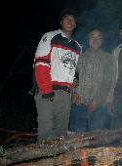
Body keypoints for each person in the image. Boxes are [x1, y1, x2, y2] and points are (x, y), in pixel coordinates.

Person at [34, 9, 82, 141]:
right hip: (49, 91)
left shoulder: (78, 46)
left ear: (75, 24)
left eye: (72, 19)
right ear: (61, 22)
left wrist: (74, 85)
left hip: (66, 95)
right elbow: (41, 63)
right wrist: (46, 90)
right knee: (46, 133)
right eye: (66, 18)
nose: (70, 21)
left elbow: (75, 69)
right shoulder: (50, 36)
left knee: (61, 135)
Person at [69, 28, 113, 132]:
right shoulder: (79, 57)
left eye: (98, 37)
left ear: (102, 41)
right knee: (76, 138)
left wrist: (96, 101)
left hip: (99, 106)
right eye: (92, 37)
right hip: (79, 105)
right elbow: (73, 77)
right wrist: (73, 93)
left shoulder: (108, 58)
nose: (95, 40)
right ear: (88, 39)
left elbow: (107, 82)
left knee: (95, 140)